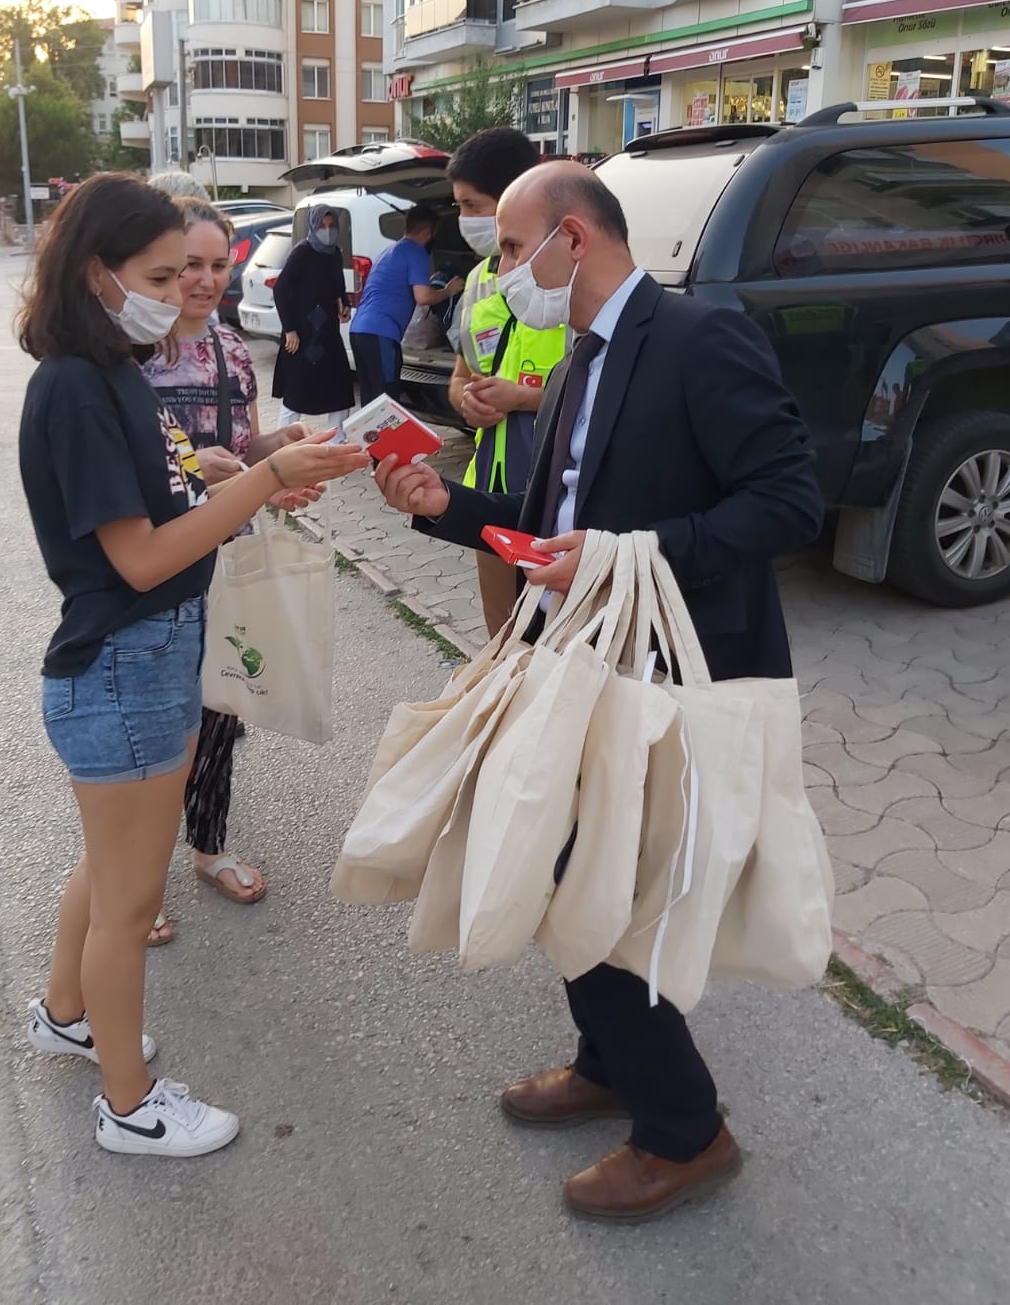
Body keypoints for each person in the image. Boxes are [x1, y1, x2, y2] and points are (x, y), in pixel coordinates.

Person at [376, 162, 823, 1221]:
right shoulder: (584, 355)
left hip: (668, 669)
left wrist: (631, 553)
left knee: (588, 874)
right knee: (583, 866)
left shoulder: (696, 339)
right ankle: (608, 1059)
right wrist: (444, 505)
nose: (503, 270)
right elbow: (550, 531)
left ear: (573, 240)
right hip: (576, 657)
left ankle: (685, 1127)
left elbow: (790, 502)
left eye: (510, 246)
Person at [17, 173, 367, 1157]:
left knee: (112, 865)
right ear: (96, 273)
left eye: (188, 274)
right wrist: (261, 478)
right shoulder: (77, 387)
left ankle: (65, 1012)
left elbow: (161, 502)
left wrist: (229, 471)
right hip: (122, 666)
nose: (178, 293)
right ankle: (130, 1103)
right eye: (160, 275)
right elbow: (139, 556)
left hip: (148, 657)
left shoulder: (117, 371)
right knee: (130, 902)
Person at [142, 196, 300, 935]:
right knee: (157, 719)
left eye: (215, 264)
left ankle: (207, 846)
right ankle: (131, 883)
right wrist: (185, 461)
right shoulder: (131, 354)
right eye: (188, 266)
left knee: (223, 706)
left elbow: (246, 450)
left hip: (229, 557)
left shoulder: (234, 350)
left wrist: (285, 454)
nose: (202, 281)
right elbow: (122, 466)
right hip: (154, 562)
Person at [446, 129, 567, 636]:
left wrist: (523, 398)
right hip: (489, 492)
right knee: (501, 641)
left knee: (561, 643)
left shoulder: (570, 281)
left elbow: (606, 395)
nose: (464, 219)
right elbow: (460, 377)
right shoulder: (478, 280)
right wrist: (467, 403)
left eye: (472, 205)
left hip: (558, 501)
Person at [348, 203, 463, 406]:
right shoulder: (415, 252)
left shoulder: (390, 251)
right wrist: (448, 291)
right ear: (428, 233)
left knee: (371, 398)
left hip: (359, 331)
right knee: (386, 398)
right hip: (380, 332)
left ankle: (370, 437)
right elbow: (423, 297)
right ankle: (386, 438)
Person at [272, 205, 355, 437]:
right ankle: (284, 441)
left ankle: (336, 441)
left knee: (339, 387)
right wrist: (289, 329)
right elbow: (280, 289)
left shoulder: (335, 254)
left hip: (327, 331)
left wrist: (344, 305)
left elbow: (338, 286)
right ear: (313, 226)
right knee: (296, 390)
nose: (327, 231)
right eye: (322, 226)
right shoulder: (302, 253)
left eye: (331, 226)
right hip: (302, 334)